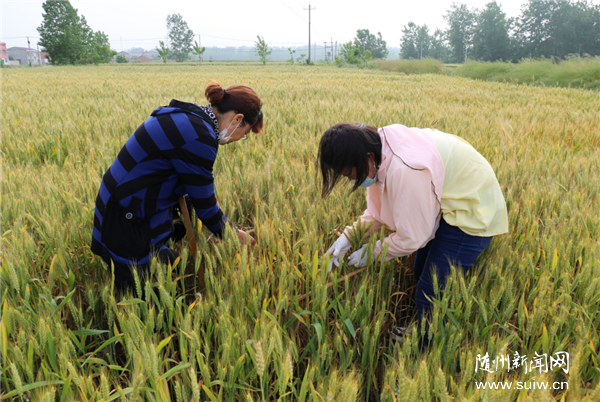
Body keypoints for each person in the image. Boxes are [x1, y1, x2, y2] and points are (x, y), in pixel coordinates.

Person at [319, 123, 508, 345]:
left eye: (349, 174)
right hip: (446, 200)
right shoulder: (379, 152)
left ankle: (425, 352)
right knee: (421, 271)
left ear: (367, 157)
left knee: (431, 291)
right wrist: (348, 238)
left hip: (473, 208)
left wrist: (373, 252)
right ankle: (423, 329)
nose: (351, 181)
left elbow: (414, 237)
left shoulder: (404, 169)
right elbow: (379, 212)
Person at [91, 81, 262, 292]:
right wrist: (236, 236)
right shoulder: (199, 136)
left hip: (121, 203)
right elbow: (206, 207)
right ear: (237, 119)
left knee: (171, 270)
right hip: (126, 216)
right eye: (245, 133)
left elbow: (185, 183)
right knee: (145, 298)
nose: (240, 139)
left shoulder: (189, 117)